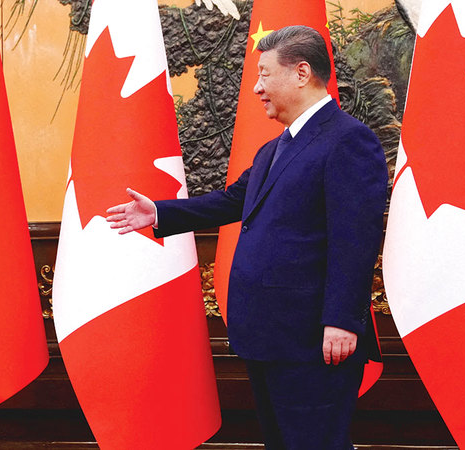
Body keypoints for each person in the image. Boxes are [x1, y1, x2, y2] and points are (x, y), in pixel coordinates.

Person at [106, 26, 387, 449]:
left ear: (302, 73)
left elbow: (355, 240)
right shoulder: (274, 148)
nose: (256, 88)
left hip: (314, 338)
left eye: (264, 74)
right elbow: (232, 201)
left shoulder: (348, 140)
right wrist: (160, 212)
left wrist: (342, 320)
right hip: (270, 335)